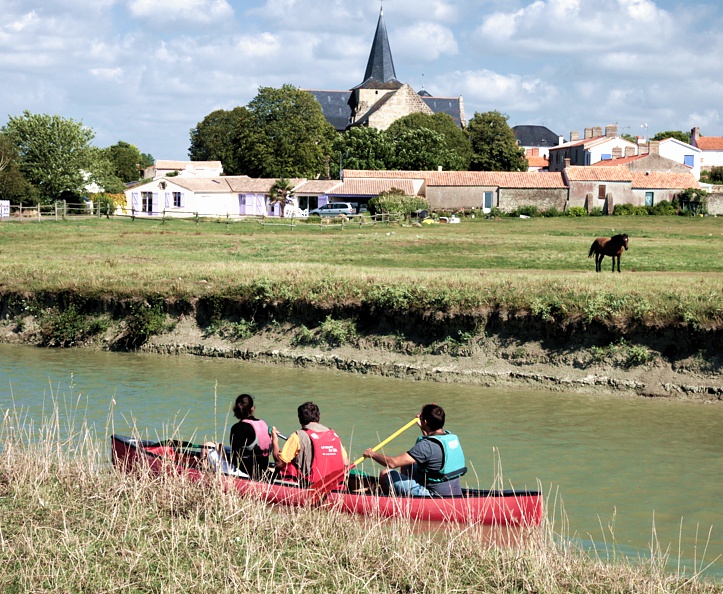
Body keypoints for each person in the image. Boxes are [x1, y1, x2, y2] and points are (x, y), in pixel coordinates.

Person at [363, 404, 466, 497]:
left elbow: (393, 463)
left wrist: (371, 454)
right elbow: (430, 448)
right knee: (407, 466)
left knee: (385, 474)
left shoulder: (426, 446)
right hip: (453, 491)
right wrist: (423, 427)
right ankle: (404, 492)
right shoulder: (449, 436)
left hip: (434, 496)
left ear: (425, 421)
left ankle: (392, 502)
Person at [271, 401, 349, 488]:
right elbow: (346, 462)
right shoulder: (333, 435)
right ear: (318, 417)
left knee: (288, 466)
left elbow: (279, 463)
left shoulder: (297, 436)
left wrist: (274, 441)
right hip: (337, 486)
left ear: (300, 419)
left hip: (313, 487)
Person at [229, 393, 270, 479]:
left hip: (245, 472)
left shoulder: (237, 428)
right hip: (263, 469)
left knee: (209, 446)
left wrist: (220, 451)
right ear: (252, 409)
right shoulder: (263, 423)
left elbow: (234, 457)